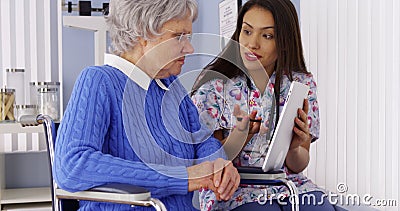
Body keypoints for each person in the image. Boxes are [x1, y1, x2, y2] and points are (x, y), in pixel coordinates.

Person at [53, 0, 240, 210]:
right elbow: (72, 166)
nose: (189, 48)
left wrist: (218, 166)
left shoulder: (171, 86)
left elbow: (202, 140)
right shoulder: (99, 82)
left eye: (189, 37)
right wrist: (182, 177)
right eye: (178, 36)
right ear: (143, 34)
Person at [191, 0, 344, 210]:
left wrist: (295, 146)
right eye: (247, 31)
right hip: (237, 191)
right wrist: (240, 137)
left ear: (284, 41)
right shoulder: (214, 88)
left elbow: (298, 164)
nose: (252, 44)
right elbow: (208, 163)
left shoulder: (300, 84)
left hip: (291, 187)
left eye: (267, 35)